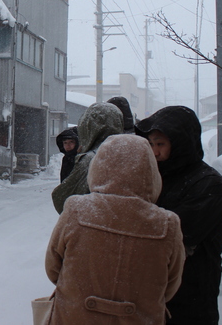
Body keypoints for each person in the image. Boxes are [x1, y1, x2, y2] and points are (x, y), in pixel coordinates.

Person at [45, 134, 186, 324]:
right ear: (150, 171)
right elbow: (170, 287)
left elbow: (53, 268)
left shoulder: (76, 209)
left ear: (99, 167)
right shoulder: (167, 224)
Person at [135, 106, 222, 325]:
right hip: (152, 297)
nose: (154, 152)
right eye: (150, 144)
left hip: (191, 298)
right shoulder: (153, 177)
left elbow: (171, 236)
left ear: (180, 144)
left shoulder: (208, 184)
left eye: (160, 144)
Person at [51, 102, 123, 214]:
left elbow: (63, 200)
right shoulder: (130, 152)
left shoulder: (90, 159)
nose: (68, 145)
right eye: (65, 143)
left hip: (94, 222)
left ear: (88, 126)